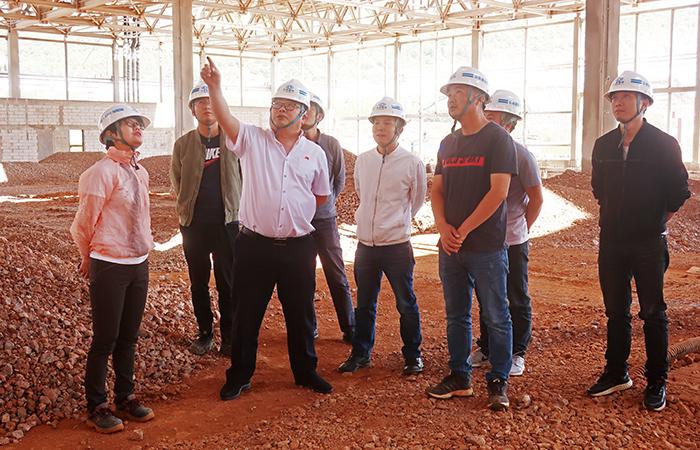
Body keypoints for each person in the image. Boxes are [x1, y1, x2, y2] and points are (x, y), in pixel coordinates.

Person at [200, 57, 334, 399]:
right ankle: (240, 375)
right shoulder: (253, 140)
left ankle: (305, 371)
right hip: (253, 245)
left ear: (304, 114)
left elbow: (320, 197)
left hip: (299, 246)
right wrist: (215, 88)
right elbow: (227, 120)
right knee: (246, 314)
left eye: (288, 106)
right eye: (276, 104)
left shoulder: (315, 154)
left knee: (301, 314)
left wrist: (293, 213)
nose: (280, 110)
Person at [587, 70, 691, 412]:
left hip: (648, 243)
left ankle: (656, 380)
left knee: (653, 312)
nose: (617, 102)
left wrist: (654, 222)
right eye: (614, 98)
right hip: (611, 242)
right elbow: (599, 190)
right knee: (616, 311)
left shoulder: (663, 144)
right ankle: (617, 373)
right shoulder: (604, 145)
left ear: (643, 103)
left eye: (625, 97)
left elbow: (678, 192)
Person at [425, 67, 517, 411]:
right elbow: (437, 190)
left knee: (496, 315)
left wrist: (462, 231)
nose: (451, 99)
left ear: (478, 98)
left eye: (458, 93)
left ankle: (498, 380)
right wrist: (442, 227)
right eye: (449, 94)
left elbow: (498, 192)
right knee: (456, 315)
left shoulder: (498, 139)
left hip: (486, 247)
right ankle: (460, 377)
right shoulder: (447, 143)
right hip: (451, 246)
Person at [70, 104, 156, 433]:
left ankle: (125, 397)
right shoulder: (100, 173)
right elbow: (83, 223)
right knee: (105, 338)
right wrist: (87, 256)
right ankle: (97, 405)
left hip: (138, 264)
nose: (138, 128)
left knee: (129, 337)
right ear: (111, 134)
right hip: (109, 264)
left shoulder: (140, 172)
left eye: (139, 124)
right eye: (130, 124)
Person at [337, 97, 426, 376]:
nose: (380, 128)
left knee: (405, 303)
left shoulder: (411, 162)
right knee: (364, 304)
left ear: (399, 128)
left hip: (397, 246)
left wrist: (396, 222)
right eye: (377, 122)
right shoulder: (364, 161)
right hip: (366, 246)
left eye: (387, 123)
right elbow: (362, 193)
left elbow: (417, 200)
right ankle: (361, 353)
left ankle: (413, 355)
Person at [469, 90, 543, 377]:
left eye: (492, 118)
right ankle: (488, 347)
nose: (485, 121)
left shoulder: (521, 156)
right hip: (484, 240)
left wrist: (521, 229)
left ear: (509, 124)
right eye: (485, 115)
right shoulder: (478, 153)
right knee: (486, 295)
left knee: (516, 296)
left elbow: (536, 198)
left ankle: (517, 352)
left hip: (511, 240)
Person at [170, 82, 242, 356]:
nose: (207, 106)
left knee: (228, 283)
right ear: (193, 110)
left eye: (211, 101)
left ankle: (230, 337)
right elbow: (177, 180)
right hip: (194, 226)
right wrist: (186, 209)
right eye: (200, 102)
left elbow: (245, 178)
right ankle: (205, 333)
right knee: (198, 282)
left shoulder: (233, 141)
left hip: (228, 225)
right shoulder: (183, 144)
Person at [302, 92, 355, 343]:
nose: (303, 114)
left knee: (336, 274)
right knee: (304, 277)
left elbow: (339, 179)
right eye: (301, 110)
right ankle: (309, 326)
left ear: (319, 116)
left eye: (309, 110)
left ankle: (350, 327)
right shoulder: (291, 144)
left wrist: (326, 203)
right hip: (299, 223)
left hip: (325, 221)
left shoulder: (331, 144)